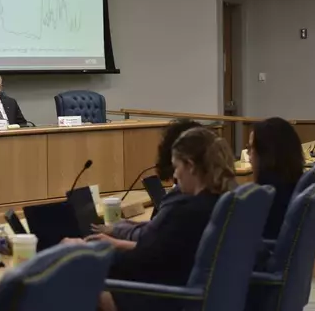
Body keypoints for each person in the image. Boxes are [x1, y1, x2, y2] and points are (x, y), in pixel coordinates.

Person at [83, 127, 236, 311]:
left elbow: (143, 260)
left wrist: (86, 253)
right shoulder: (220, 201)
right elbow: (158, 250)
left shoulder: (188, 213)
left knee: (80, 280)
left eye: (177, 167)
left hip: (168, 296)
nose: (175, 175)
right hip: (187, 288)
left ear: (190, 166)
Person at [92, 119, 202, 241]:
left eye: (176, 166)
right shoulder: (212, 195)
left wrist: (114, 238)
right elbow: (158, 229)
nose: (175, 173)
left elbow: (150, 241)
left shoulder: (180, 200)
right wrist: (129, 226)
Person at [248, 117, 304, 240]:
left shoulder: (265, 197)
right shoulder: (296, 184)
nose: (249, 157)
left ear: (266, 153)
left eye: (252, 149)